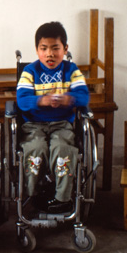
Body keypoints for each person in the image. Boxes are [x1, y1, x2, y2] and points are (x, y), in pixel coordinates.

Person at [16, 21, 89, 213]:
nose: (49, 53)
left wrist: (68, 99)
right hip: (33, 125)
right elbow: (22, 101)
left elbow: (84, 96)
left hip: (62, 124)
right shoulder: (30, 72)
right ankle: (31, 194)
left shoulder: (72, 71)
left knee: (63, 149)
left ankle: (62, 198)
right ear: (37, 50)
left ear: (65, 49)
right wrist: (42, 101)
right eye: (44, 48)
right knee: (35, 149)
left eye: (55, 48)